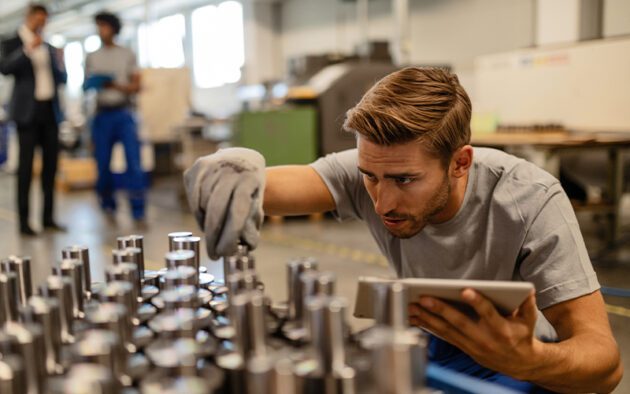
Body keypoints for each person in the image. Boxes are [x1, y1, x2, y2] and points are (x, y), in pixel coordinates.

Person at [184, 67, 623, 392]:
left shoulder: (530, 200)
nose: (382, 201)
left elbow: (604, 364)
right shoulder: (375, 169)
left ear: (460, 163)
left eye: (405, 181)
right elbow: (271, 186)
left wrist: (529, 359)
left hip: (517, 356)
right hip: (433, 341)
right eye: (369, 177)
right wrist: (233, 168)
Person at [0, 3, 67, 236]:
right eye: (38, 19)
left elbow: (62, 78)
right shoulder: (12, 42)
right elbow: (5, 68)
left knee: (50, 168)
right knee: (26, 170)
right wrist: (28, 49)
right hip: (27, 114)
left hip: (50, 112)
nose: (42, 24)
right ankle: (24, 223)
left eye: (45, 20)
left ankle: (48, 218)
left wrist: (61, 61)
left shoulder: (49, 47)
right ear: (29, 18)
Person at [85, 11, 145, 222]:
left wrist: (114, 85)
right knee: (102, 164)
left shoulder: (127, 54)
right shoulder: (92, 56)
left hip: (123, 113)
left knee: (134, 163)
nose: (101, 31)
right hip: (102, 116)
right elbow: (87, 87)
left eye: (104, 26)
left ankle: (138, 210)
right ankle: (107, 205)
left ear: (113, 28)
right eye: (98, 26)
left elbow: (137, 85)